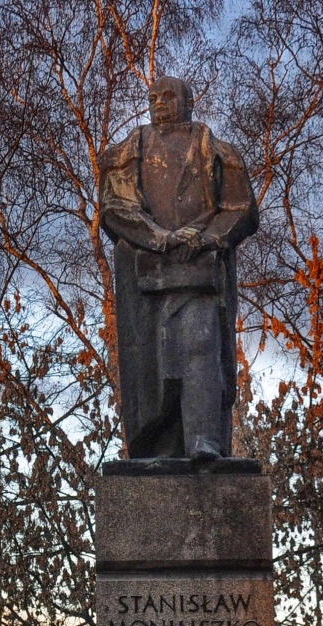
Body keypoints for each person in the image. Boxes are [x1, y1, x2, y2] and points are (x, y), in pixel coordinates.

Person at [100, 76, 258, 461]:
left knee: (199, 345)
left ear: (188, 101)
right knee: (154, 364)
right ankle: (160, 447)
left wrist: (205, 239)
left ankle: (204, 442)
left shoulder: (218, 152)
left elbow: (240, 210)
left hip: (199, 269)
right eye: (153, 97)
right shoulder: (128, 151)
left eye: (168, 96)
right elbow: (115, 208)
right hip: (146, 272)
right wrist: (162, 238)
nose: (159, 103)